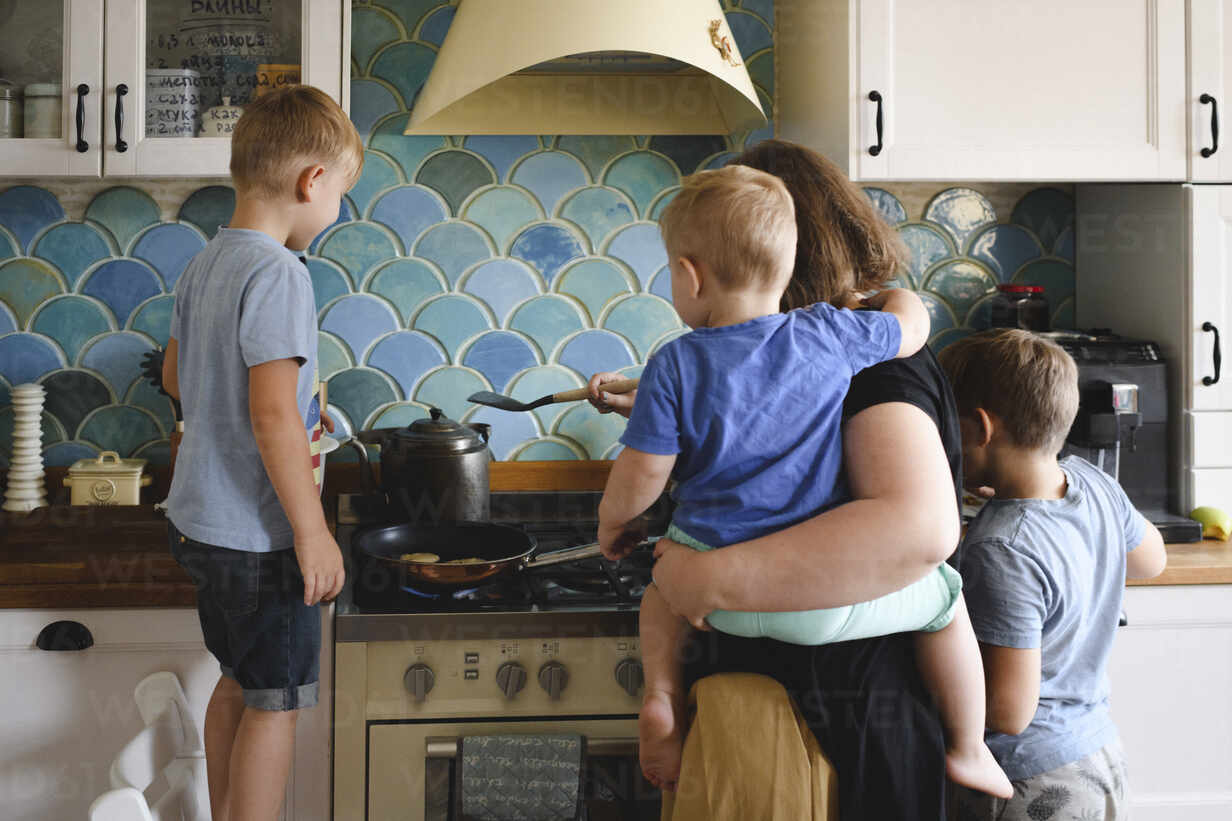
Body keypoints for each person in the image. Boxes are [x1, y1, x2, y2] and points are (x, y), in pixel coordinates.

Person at [596, 164, 1012, 799]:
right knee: (946, 602)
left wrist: (631, 531)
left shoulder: (679, 360)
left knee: (660, 596)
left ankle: (659, 695)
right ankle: (970, 743)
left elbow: (920, 530)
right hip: (824, 635)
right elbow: (901, 328)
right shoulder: (835, 339)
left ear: (688, 273)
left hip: (797, 669)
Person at [160, 85, 362, 821]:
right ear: (313, 181)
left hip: (200, 526)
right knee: (276, 704)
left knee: (240, 679)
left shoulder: (207, 260)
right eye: (341, 193)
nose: (336, 210)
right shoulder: (279, 272)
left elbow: (175, 377)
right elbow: (274, 413)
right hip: (258, 539)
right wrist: (311, 533)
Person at [937, 330, 1166, 820]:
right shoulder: (1093, 481)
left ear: (979, 427)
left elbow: (1010, 713)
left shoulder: (1000, 547)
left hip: (1032, 779)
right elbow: (1151, 560)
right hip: (1100, 756)